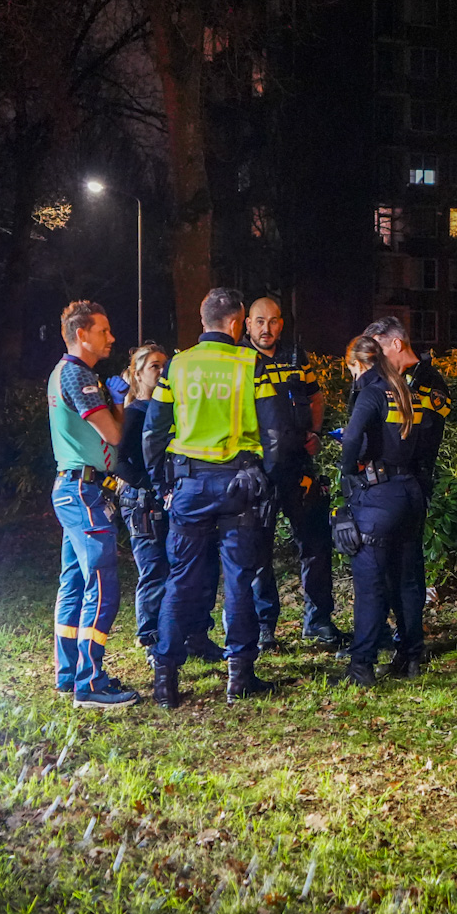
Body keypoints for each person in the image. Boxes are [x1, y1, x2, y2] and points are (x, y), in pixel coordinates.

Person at [142, 287, 292, 707]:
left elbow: (153, 431)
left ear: (203, 318)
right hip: (238, 487)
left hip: (188, 486)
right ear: (236, 322)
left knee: (181, 579)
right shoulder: (250, 364)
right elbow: (275, 431)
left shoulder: (178, 365)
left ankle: (165, 679)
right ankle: (239, 676)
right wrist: (269, 478)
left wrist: (161, 485)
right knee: (239, 579)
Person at [46, 301, 137, 711]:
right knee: (102, 586)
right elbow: (114, 436)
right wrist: (122, 403)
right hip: (83, 491)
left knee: (74, 582)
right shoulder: (77, 374)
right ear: (81, 334)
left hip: (73, 488)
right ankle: (90, 683)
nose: (111, 338)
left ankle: (69, 674)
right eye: (103, 331)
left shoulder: (63, 372)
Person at [114, 342, 227, 661]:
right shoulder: (135, 413)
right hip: (144, 501)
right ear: (137, 374)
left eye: (166, 365)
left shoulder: (173, 410)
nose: (163, 371)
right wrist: (151, 485)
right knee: (155, 569)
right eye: (155, 366)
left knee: (195, 567)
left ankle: (196, 636)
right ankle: (152, 639)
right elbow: (119, 461)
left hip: (174, 496)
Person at [245, 295, 344, 651]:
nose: (266, 328)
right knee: (258, 551)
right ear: (247, 324)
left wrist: (314, 432)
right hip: (258, 471)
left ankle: (318, 622)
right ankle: (263, 629)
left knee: (315, 543)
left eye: (273, 321)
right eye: (259, 321)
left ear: (281, 324)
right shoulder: (240, 359)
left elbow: (315, 397)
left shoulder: (295, 357)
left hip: (299, 467)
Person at [332, 334, 430, 688]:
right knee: (407, 580)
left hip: (378, 495)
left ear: (360, 364)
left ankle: (362, 666)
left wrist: (348, 470)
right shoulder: (406, 392)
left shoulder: (371, 393)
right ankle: (411, 657)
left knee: (370, 583)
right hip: (410, 493)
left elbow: (352, 439)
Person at [360, 316, 451, 677]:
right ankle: (403, 647)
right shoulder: (387, 381)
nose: (376, 359)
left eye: (379, 349)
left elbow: (423, 435)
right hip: (391, 485)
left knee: (406, 573)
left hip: (408, 483)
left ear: (395, 344)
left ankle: (409, 649)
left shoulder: (429, 383)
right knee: (396, 572)